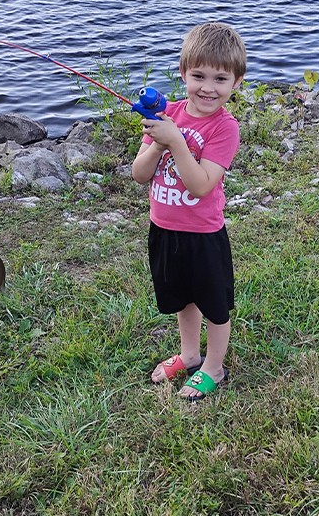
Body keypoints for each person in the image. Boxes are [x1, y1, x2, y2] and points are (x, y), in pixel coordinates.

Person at [131, 22, 247, 401]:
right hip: (164, 228)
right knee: (183, 300)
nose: (208, 88)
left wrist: (176, 143)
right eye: (198, 75)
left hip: (203, 235)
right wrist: (157, 142)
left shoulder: (225, 128)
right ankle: (189, 354)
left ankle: (214, 366)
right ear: (183, 73)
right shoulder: (169, 115)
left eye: (220, 78)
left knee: (214, 305)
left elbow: (201, 185)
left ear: (236, 83)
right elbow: (139, 174)